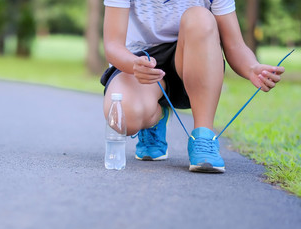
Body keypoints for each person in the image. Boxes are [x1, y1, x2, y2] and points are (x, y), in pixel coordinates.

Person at [101, 0, 285, 173]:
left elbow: (235, 45)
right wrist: (133, 64)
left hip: (193, 59)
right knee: (124, 116)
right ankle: (156, 119)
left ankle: (203, 137)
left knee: (200, 17)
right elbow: (113, 45)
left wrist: (252, 68)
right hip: (142, 61)